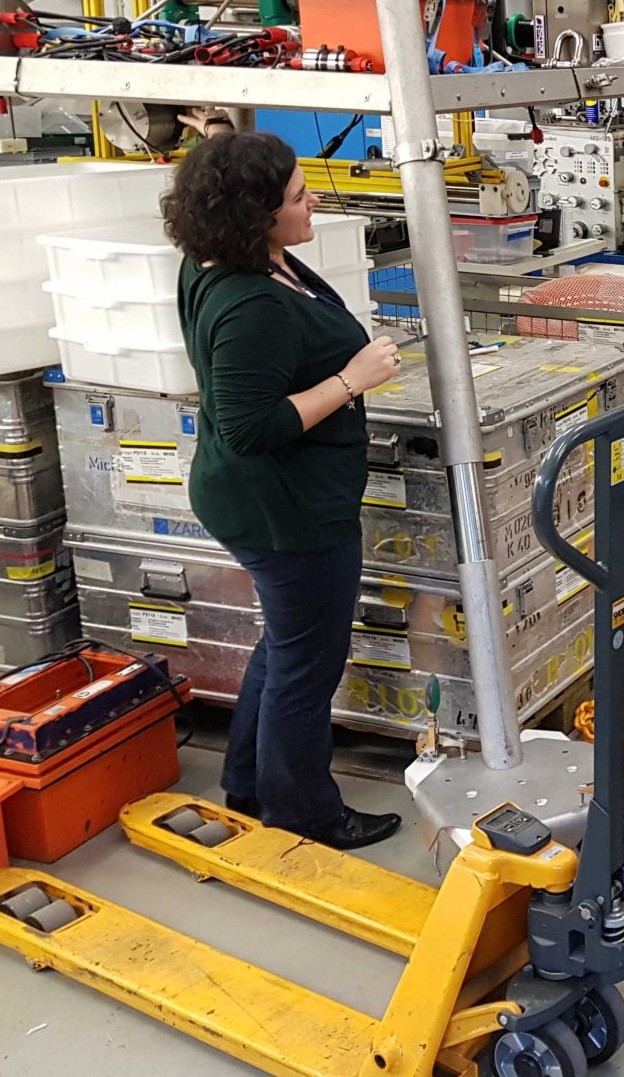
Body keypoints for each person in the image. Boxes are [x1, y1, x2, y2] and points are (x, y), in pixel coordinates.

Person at [160, 132, 404, 850]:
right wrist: (350, 380)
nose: (314, 199)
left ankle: (248, 780)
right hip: (285, 511)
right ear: (254, 215)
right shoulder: (250, 304)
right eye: (299, 196)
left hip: (261, 499)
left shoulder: (238, 261)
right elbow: (248, 426)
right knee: (308, 662)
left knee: (287, 641)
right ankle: (303, 812)